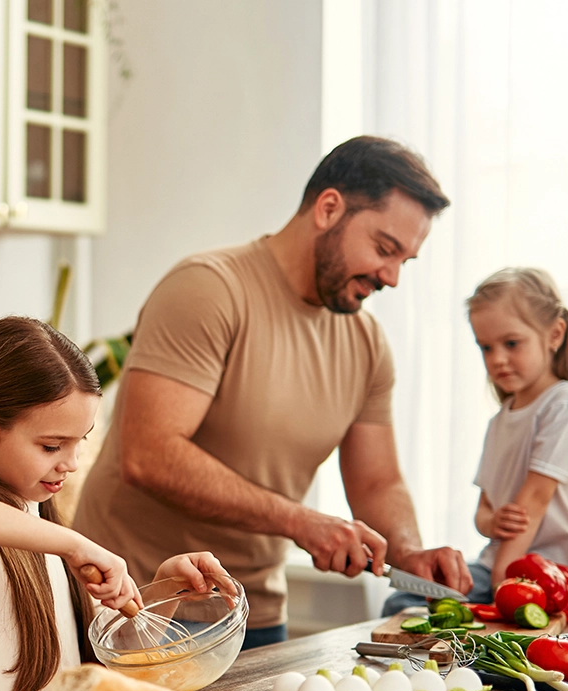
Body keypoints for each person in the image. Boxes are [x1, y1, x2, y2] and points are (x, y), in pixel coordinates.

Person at [73, 135, 471, 648]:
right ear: (329, 208)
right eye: (384, 249)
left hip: (253, 615)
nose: (391, 277)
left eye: (404, 262)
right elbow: (149, 454)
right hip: (137, 607)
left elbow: (377, 483)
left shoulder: (367, 343)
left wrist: (408, 552)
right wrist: (300, 521)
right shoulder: (209, 289)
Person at [0, 316, 234, 691]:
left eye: (79, 441)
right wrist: (73, 544)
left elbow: (113, 653)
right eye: (52, 446)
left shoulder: (40, 523)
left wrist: (165, 589)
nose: (70, 463)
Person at [382, 268, 568, 615]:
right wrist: (493, 522)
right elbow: (483, 510)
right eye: (485, 347)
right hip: (496, 565)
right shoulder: (500, 420)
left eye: (511, 343)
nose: (496, 359)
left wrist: (504, 586)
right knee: (404, 602)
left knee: (409, 607)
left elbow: (534, 502)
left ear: (554, 334)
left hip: (551, 573)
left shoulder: (565, 405)